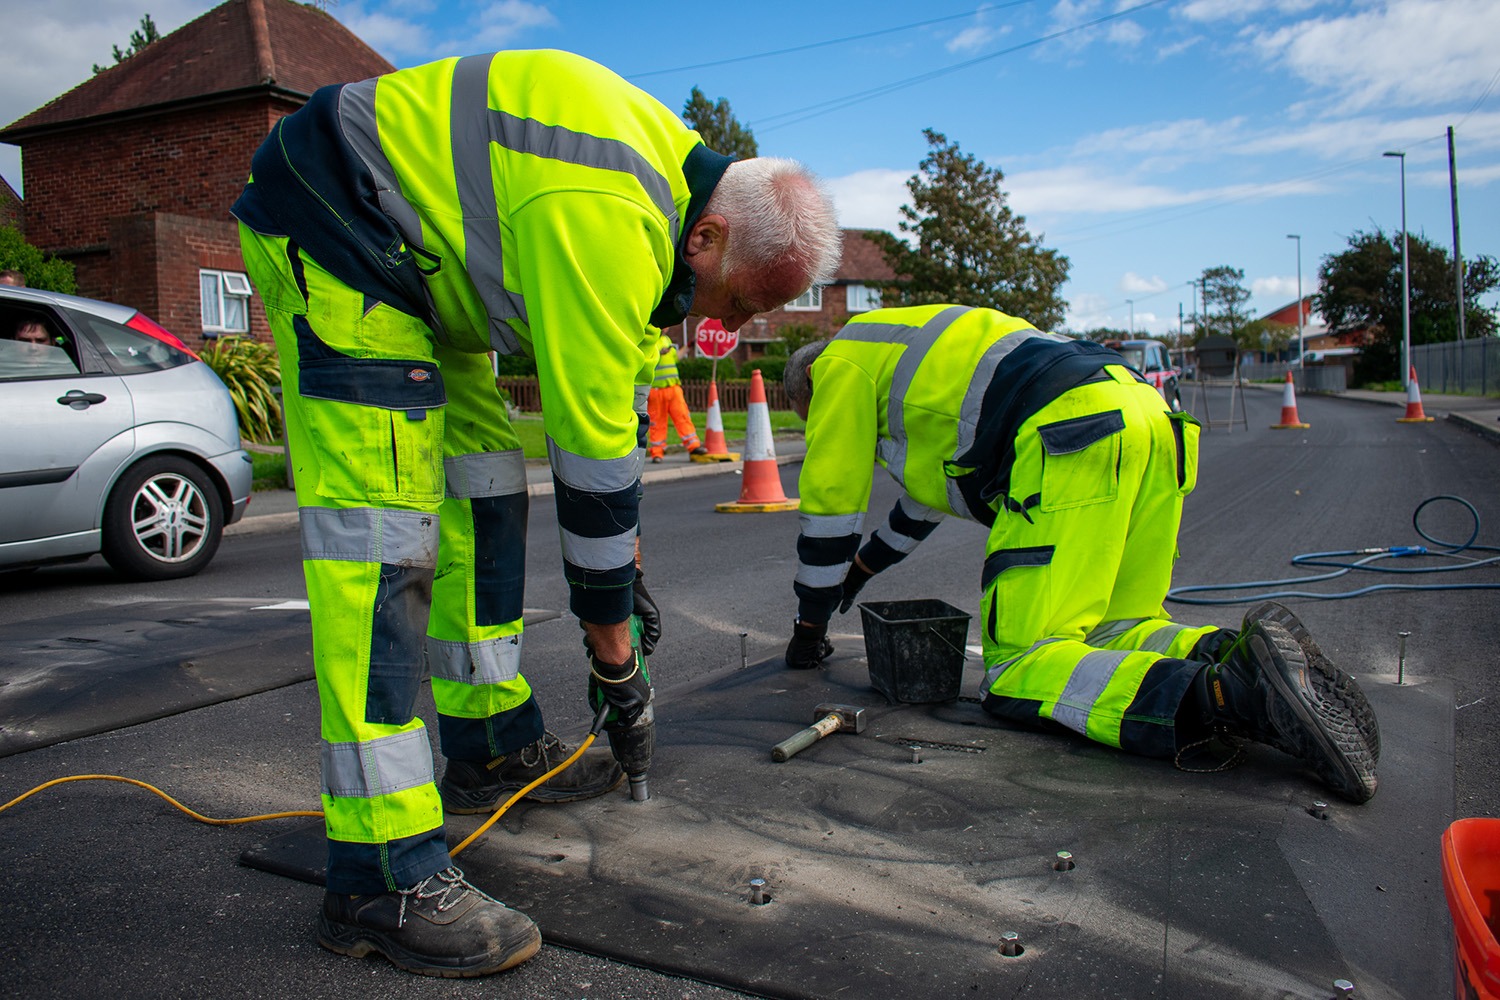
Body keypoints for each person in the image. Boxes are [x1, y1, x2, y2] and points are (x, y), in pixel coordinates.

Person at [232, 49, 840, 979]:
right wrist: (617, 662)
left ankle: (487, 749)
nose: (724, 321)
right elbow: (589, 459)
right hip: (338, 232)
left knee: (485, 496)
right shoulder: (608, 215)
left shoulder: (672, 192)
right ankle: (378, 874)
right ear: (709, 240)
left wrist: (625, 577)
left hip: (433, 283)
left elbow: (617, 432)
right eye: (734, 301)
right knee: (382, 548)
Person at [781, 304, 1378, 807]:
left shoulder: (837, 367)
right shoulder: (902, 348)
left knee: (1017, 668)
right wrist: (858, 574)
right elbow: (919, 506)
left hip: (1069, 434)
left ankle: (1234, 697)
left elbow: (831, 503)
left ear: (807, 391)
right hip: (1146, 418)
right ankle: (1247, 658)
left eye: (813, 420)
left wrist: (809, 629)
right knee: (1118, 628)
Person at [647, 331, 705, 463]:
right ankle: (657, 453)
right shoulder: (649, 341)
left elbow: (676, 357)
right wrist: (658, 353)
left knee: (683, 417)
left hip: (673, 389)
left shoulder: (667, 340)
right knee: (657, 422)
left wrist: (688, 346)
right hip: (656, 390)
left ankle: (693, 446)